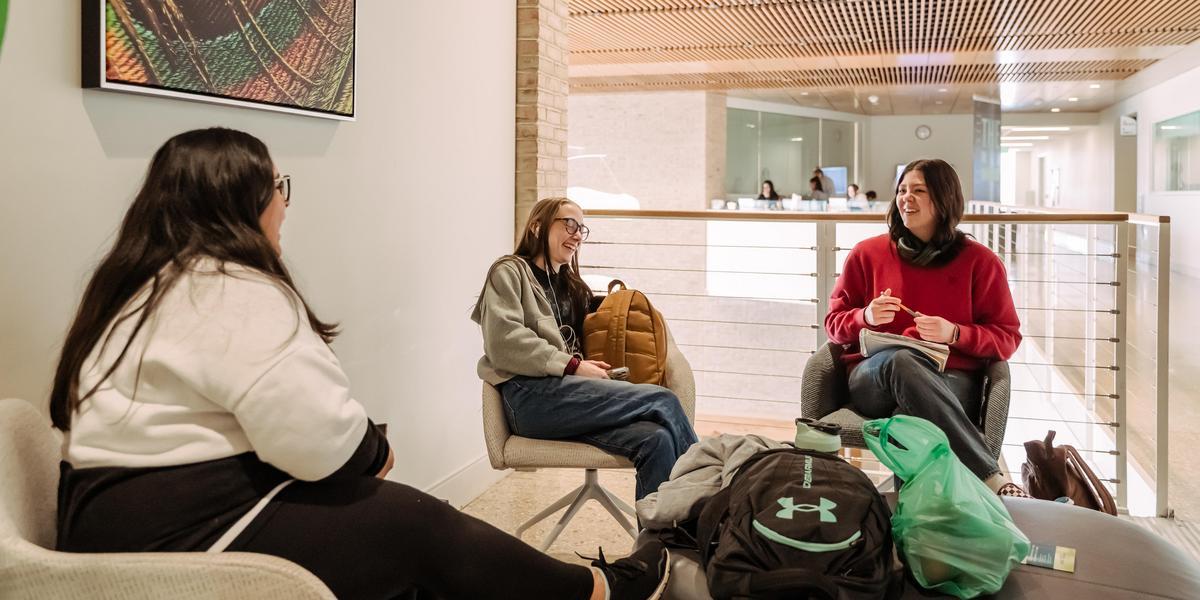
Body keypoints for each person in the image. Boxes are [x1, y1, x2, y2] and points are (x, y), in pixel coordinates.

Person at [50, 128, 670, 600]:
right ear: (242, 200)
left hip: (109, 519)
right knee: (414, 521)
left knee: (651, 424)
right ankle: (597, 587)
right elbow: (321, 443)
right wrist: (373, 448)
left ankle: (645, 542)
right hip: (178, 535)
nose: (285, 205)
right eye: (278, 186)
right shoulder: (232, 290)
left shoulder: (138, 287)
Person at [824, 158, 1028, 497]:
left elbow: (1007, 337)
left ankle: (910, 525)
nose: (906, 198)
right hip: (872, 378)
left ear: (945, 199)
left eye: (919, 190)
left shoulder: (980, 262)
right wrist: (866, 318)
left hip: (950, 381)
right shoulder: (867, 254)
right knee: (901, 360)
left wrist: (955, 334)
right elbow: (833, 325)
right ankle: (990, 478)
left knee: (911, 418)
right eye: (902, 190)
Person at [473, 197, 698, 501]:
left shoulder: (572, 287)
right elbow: (504, 342)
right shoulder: (509, 272)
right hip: (529, 398)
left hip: (570, 398)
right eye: (569, 224)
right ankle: (707, 496)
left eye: (582, 228)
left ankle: (661, 540)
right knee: (663, 401)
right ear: (538, 226)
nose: (578, 234)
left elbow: (601, 327)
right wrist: (574, 366)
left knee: (655, 440)